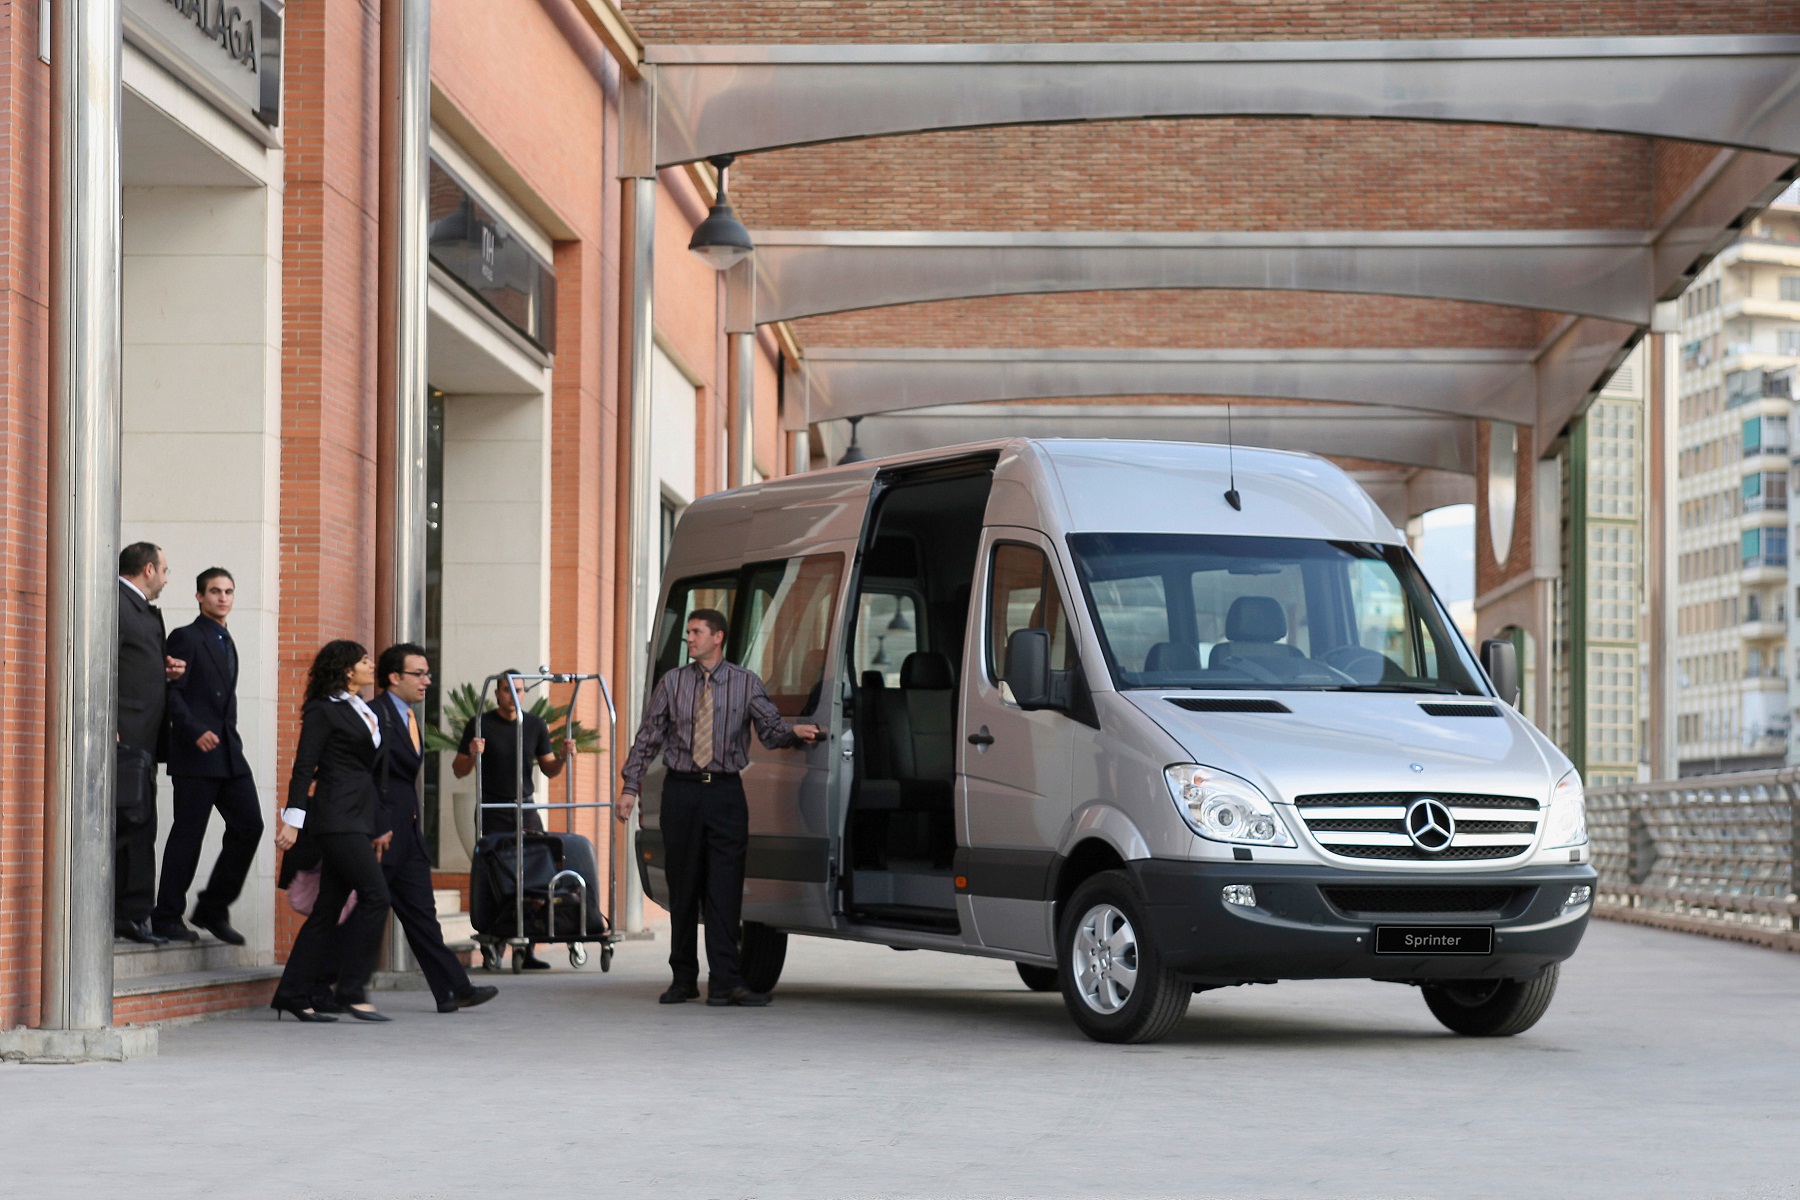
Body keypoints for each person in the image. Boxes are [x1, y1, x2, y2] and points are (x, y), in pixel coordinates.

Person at [617, 609, 822, 1007]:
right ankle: (683, 979)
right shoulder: (672, 682)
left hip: (725, 794)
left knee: (725, 890)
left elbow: (771, 729)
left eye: (696, 632)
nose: (689, 638)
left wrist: (793, 732)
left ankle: (726, 982)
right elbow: (648, 737)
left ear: (718, 638)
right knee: (683, 888)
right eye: (689, 631)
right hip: (682, 794)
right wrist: (629, 787)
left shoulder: (746, 683)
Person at [364, 642, 498, 1014]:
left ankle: (454, 990)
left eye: (428, 673)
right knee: (351, 913)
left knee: (422, 916)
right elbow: (365, 777)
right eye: (419, 674)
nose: (427, 681)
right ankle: (311, 989)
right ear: (394, 677)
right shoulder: (374, 715)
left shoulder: (410, 717)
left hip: (408, 834)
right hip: (380, 835)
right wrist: (376, 826)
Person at [269, 640, 394, 1023]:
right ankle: (352, 989)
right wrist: (292, 821)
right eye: (363, 661)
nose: (371, 665)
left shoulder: (361, 710)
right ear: (345, 669)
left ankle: (293, 992)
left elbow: (368, 773)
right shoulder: (323, 711)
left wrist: (377, 824)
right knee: (376, 896)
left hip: (356, 817)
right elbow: (304, 766)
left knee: (327, 911)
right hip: (335, 819)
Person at [152, 568, 263, 944]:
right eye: (214, 591)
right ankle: (166, 916)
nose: (222, 597)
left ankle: (212, 908)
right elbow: (171, 691)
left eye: (228, 591)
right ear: (199, 596)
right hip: (196, 753)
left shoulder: (225, 638)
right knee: (188, 835)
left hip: (229, 752)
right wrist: (193, 729)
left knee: (250, 825)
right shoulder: (186, 637)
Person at [452, 670, 575, 971]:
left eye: (519, 690)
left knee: (536, 873)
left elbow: (549, 769)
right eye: (507, 691)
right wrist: (471, 753)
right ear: (496, 694)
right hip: (492, 810)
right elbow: (459, 770)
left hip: (526, 810)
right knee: (497, 875)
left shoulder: (534, 725)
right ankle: (496, 942)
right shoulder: (480, 724)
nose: (514, 696)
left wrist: (562, 757)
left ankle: (528, 946)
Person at [115, 542, 186, 945]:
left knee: (140, 825)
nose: (165, 578)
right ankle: (129, 913)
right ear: (147, 569)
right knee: (135, 826)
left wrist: (164, 671)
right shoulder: (119, 605)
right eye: (164, 569)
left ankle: (131, 913)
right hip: (127, 738)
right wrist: (108, 723)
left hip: (142, 737)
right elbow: (98, 660)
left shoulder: (138, 608)